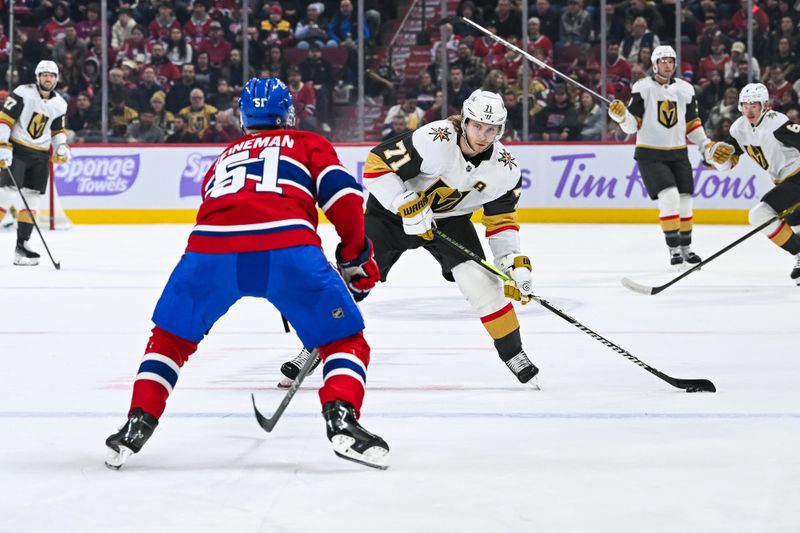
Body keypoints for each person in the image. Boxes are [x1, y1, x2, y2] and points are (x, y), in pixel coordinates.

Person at [105, 77, 389, 471]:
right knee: (345, 341)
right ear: (288, 114)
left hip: (210, 252)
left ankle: (137, 422)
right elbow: (345, 196)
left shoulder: (224, 157)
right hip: (288, 251)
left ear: (243, 117)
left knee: (169, 341)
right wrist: (355, 253)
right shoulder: (308, 143)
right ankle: (341, 419)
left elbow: (221, 204)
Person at [281, 90, 538, 386]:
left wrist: (511, 263)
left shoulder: (505, 169)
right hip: (390, 216)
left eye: (491, 129)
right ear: (465, 122)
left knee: (483, 284)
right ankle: (310, 348)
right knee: (354, 276)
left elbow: (501, 221)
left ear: (500, 131)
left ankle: (514, 354)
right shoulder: (435, 139)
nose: (482, 135)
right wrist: (404, 203)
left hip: (448, 222)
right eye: (477, 125)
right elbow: (376, 165)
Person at [608, 45, 726, 267]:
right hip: (650, 155)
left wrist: (705, 145)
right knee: (669, 197)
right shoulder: (643, 88)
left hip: (679, 153)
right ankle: (673, 249)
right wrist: (622, 117)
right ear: (654, 64)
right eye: (662, 61)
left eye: (671, 61)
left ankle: (686, 248)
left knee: (685, 200)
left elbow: (692, 124)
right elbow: (633, 127)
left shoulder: (685, 89)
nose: (667, 64)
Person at [706, 83, 800, 284]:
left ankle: (799, 253)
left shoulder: (775, 122)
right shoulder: (739, 128)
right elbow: (729, 161)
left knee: (759, 214)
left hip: (797, 178)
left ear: (765, 105)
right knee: (795, 220)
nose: (749, 110)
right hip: (784, 183)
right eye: (745, 105)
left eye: (754, 105)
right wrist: (717, 158)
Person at [0, 60, 70, 265]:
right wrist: (3, 144)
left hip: (40, 156)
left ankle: (22, 248)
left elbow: (58, 130)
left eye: (52, 75)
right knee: (5, 195)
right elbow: (4, 120)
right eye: (44, 74)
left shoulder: (60, 104)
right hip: (18, 150)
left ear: (56, 79)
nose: (48, 78)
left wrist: (61, 146)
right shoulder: (22, 93)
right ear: (38, 77)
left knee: (31, 202)